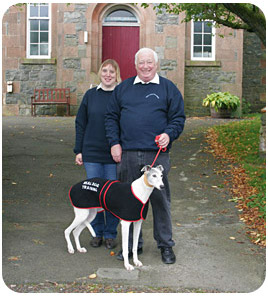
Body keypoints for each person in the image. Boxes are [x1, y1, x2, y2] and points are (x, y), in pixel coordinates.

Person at [105, 48, 185, 264]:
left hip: (156, 157)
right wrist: (114, 143)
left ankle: (166, 246)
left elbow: (178, 118)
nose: (146, 66)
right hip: (128, 155)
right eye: (142, 63)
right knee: (130, 203)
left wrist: (169, 135)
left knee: (160, 201)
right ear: (135, 65)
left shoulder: (168, 88)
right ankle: (133, 246)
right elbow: (111, 117)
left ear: (156, 64)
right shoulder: (123, 89)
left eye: (150, 62)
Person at [74, 59, 121, 249]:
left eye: (112, 71)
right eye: (105, 71)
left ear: (117, 74)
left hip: (113, 155)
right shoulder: (91, 95)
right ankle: (97, 232)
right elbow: (80, 123)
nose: (108, 74)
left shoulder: (121, 95)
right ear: (100, 73)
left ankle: (110, 233)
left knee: (111, 196)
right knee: (94, 195)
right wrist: (78, 150)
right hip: (91, 153)